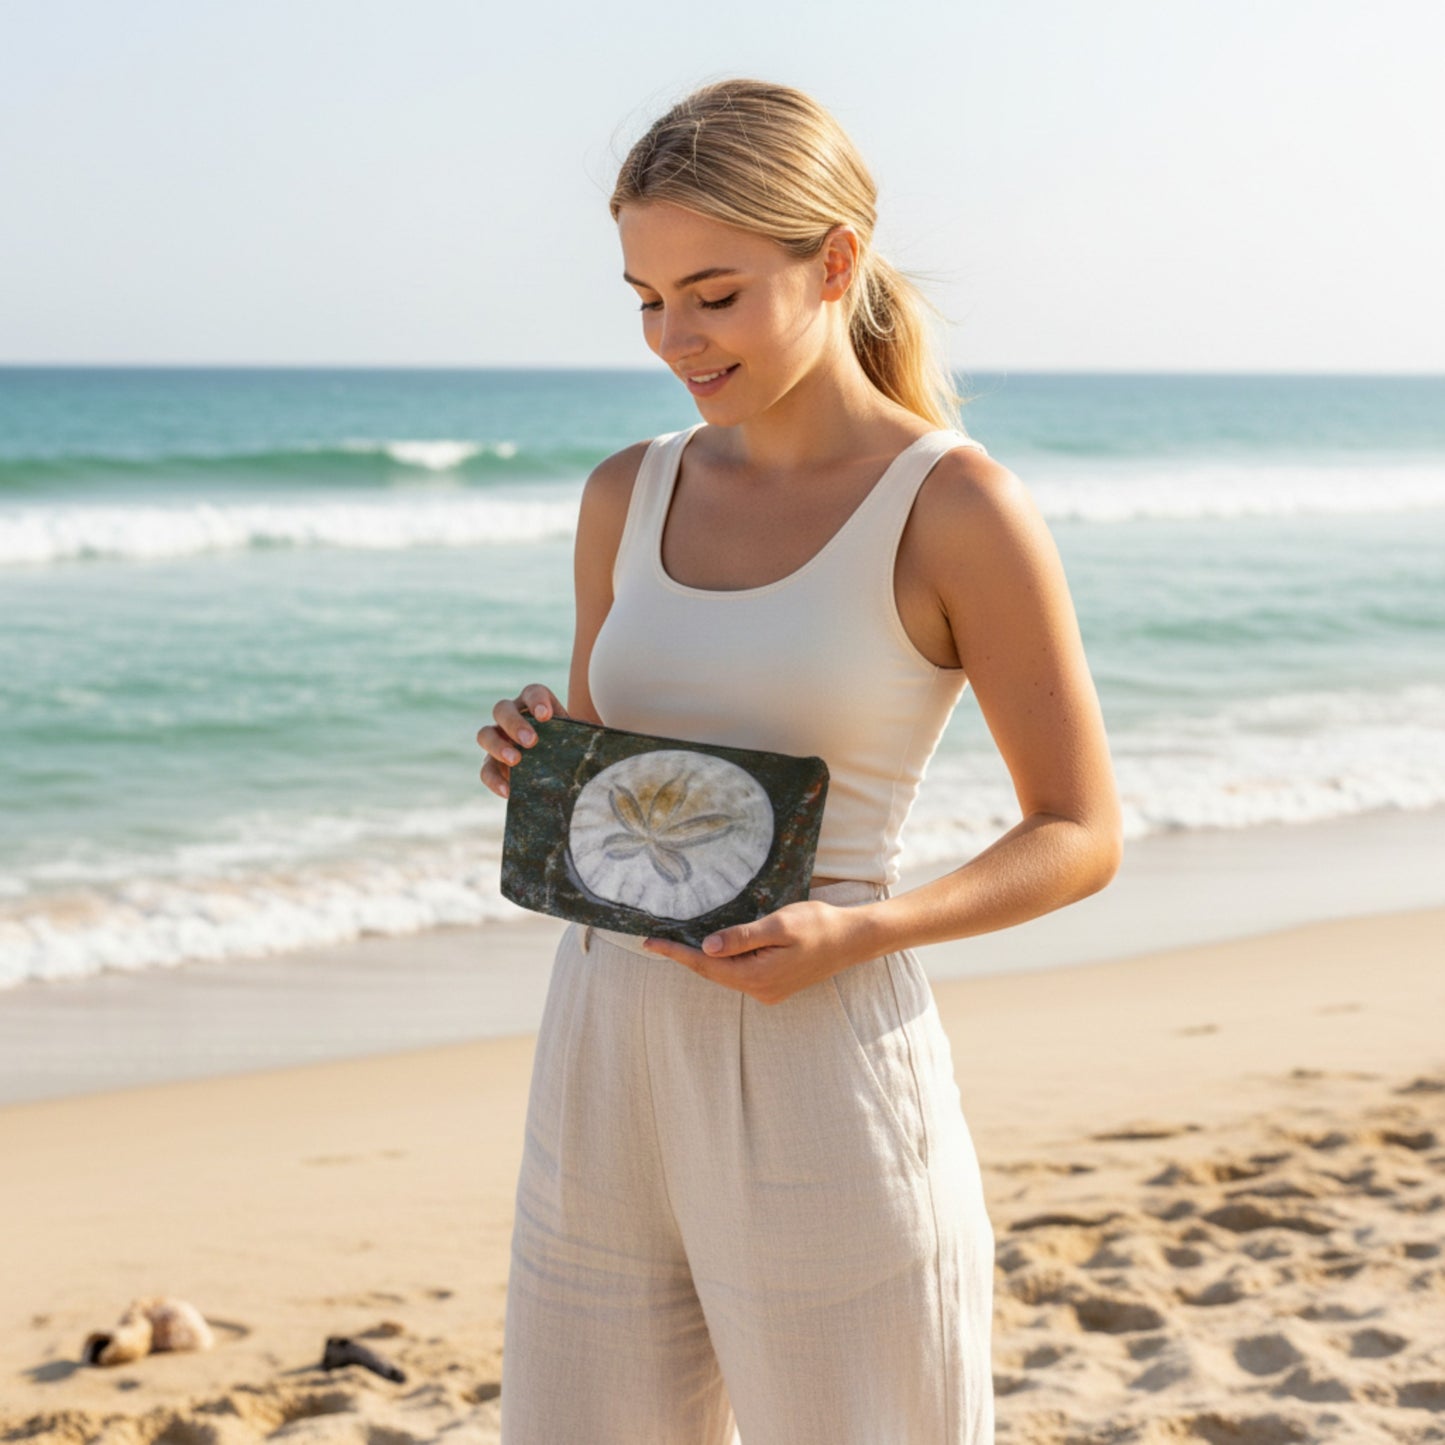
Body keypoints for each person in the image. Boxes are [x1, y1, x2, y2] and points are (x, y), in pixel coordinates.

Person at [478, 77, 1122, 1445]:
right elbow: (625, 760)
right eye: (645, 298)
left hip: (820, 1057)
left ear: (832, 262)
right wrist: (542, 761)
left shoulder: (952, 506)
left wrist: (864, 928)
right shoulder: (625, 492)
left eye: (713, 293)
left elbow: (1077, 828)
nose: (672, 338)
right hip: (600, 1048)